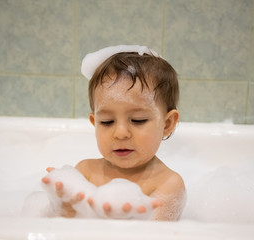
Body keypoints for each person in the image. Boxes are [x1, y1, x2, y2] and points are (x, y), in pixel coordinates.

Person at [50, 45, 186, 221]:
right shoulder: (85, 172)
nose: (120, 133)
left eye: (138, 120)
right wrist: (66, 209)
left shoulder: (168, 185)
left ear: (167, 124)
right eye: (107, 122)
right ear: (95, 123)